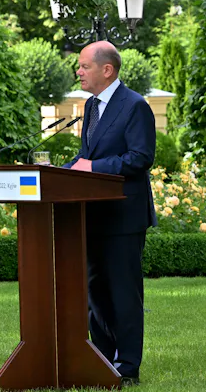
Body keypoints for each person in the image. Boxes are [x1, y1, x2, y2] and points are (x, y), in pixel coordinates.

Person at [64, 41, 156, 387]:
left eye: (84, 66)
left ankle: (127, 365)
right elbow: (86, 155)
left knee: (123, 292)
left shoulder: (135, 106)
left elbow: (140, 158)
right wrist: (63, 170)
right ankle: (102, 357)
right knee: (96, 291)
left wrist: (92, 167)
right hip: (93, 214)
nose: (79, 72)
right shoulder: (90, 106)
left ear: (107, 70)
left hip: (123, 217)